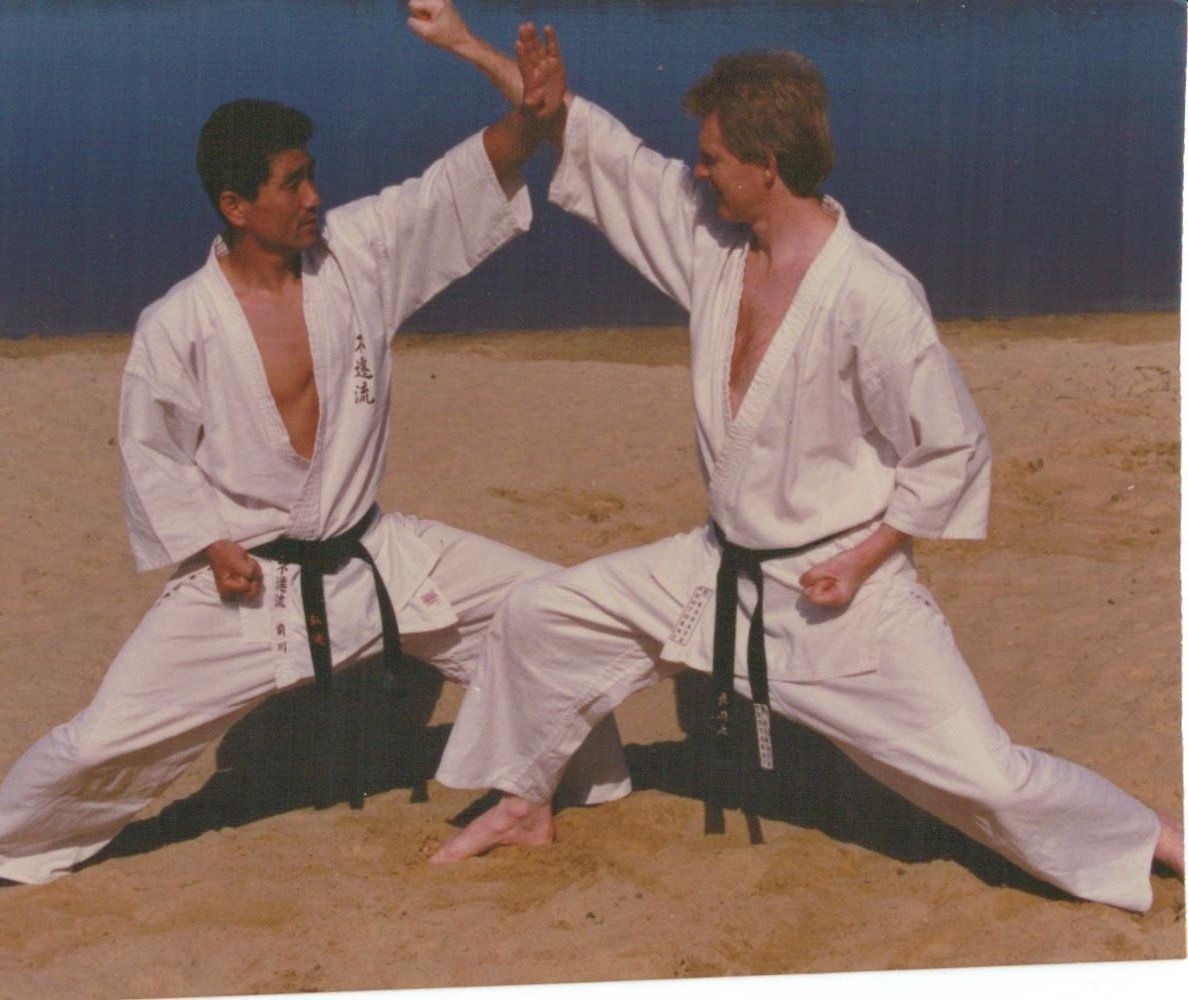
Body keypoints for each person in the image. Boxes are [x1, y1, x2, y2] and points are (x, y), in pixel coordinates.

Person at [410, 1, 1183, 911]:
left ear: (767, 165)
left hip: (839, 594)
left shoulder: (873, 295)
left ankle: (1156, 837)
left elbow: (951, 449)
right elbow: (603, 150)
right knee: (543, 616)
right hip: (718, 569)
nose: (697, 171)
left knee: (986, 778)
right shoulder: (715, 243)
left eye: (712, 157)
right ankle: (525, 802)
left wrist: (863, 558)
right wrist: (475, 52)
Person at [0, 12, 631, 886]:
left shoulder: (358, 257)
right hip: (250, 586)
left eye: (311, 177)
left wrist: (496, 74)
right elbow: (152, 453)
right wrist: (207, 541)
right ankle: (11, 843)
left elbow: (479, 168)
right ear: (236, 207)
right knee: (104, 742)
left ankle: (550, 786)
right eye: (292, 184)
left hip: (374, 558)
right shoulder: (178, 323)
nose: (313, 198)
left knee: (552, 607)